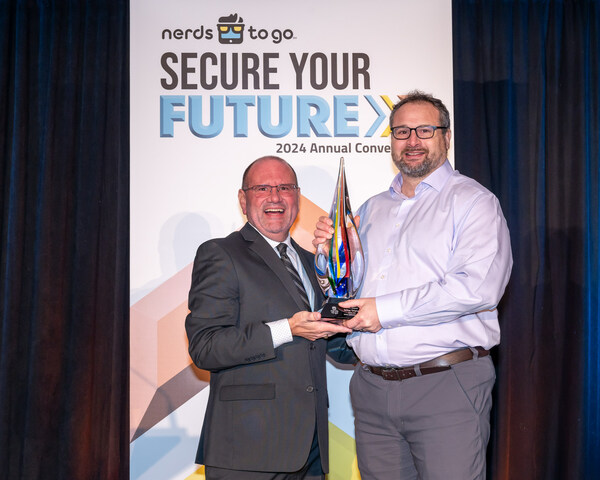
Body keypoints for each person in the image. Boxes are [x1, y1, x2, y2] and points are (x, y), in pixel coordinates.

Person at [313, 91, 513, 479]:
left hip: (445, 384)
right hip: (371, 389)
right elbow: (347, 290)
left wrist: (381, 310)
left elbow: (477, 288)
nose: (412, 141)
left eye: (424, 130)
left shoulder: (473, 202)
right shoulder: (370, 209)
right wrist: (329, 256)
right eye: (401, 131)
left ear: (446, 136)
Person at [186, 156, 356, 480]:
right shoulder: (220, 253)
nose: (275, 197)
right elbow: (205, 347)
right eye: (262, 188)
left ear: (298, 197)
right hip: (249, 452)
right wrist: (287, 329)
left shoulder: (314, 262)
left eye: (285, 188)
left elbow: (337, 346)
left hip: (312, 451)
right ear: (243, 199)